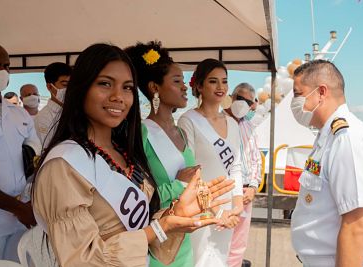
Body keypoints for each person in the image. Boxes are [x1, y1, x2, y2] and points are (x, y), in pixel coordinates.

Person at [32, 43, 234, 267]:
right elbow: (82, 260)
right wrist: (160, 227)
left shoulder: (124, 153)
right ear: (81, 88)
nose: (118, 96)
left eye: (127, 87)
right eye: (105, 84)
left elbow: (142, 229)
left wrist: (175, 213)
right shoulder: (64, 166)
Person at [290, 60, 363, 267]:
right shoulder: (328, 137)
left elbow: (357, 225)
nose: (294, 101)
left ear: (321, 92)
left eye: (298, 93)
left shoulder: (347, 139)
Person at [125, 41, 199, 267]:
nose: (185, 87)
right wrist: (178, 185)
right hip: (156, 240)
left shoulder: (181, 133)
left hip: (184, 238)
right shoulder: (141, 133)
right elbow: (132, 195)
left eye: (184, 81)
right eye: (177, 82)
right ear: (154, 88)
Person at [178, 58, 244, 266]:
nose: (221, 87)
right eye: (213, 81)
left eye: (224, 81)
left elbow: (236, 166)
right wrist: (217, 211)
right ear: (199, 85)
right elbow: (190, 173)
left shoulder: (233, 123)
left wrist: (237, 206)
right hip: (201, 208)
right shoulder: (188, 120)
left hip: (228, 212)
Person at [0, 41, 40, 261]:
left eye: (6, 66)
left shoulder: (19, 114)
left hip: (21, 213)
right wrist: (16, 207)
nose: (2, 71)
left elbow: (35, 152)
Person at [225, 83, 262, 267]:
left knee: (239, 242)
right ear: (231, 97)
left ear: (252, 104)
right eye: (239, 98)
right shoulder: (220, 120)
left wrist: (253, 187)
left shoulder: (250, 126)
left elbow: (256, 158)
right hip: (226, 191)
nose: (242, 103)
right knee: (221, 238)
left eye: (247, 101)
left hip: (246, 191)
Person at [34, 62, 71, 149]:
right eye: (65, 84)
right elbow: (45, 151)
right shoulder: (43, 118)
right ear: (50, 87)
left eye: (71, 84)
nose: (69, 89)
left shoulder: (77, 112)